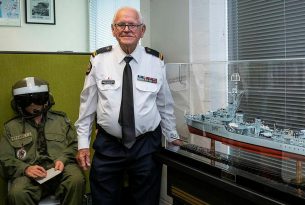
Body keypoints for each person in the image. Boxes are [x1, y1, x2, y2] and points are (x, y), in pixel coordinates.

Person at [75, 6, 181, 205]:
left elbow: (165, 104)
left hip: (146, 145)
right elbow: (87, 106)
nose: (126, 29)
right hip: (108, 145)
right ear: (113, 30)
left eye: (132, 25)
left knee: (146, 200)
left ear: (142, 30)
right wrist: (82, 145)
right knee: (104, 200)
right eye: (121, 24)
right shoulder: (99, 60)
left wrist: (172, 135)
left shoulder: (155, 61)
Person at [0, 77, 85, 205]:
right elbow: (5, 158)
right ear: (19, 104)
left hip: (59, 170)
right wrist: (25, 168)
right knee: (17, 192)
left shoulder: (61, 120)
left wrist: (63, 159)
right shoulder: (11, 128)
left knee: (76, 179)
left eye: (38, 99)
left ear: (46, 99)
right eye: (27, 101)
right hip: (29, 175)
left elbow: (74, 145)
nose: (33, 105)